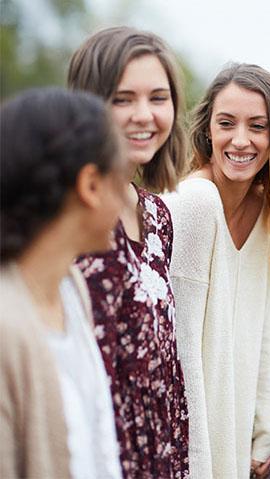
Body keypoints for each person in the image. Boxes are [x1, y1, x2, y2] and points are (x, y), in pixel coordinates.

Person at [163, 63, 270, 479]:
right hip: (188, 450)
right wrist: (198, 465)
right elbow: (179, 351)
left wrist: (262, 435)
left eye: (257, 126)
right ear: (207, 131)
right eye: (227, 123)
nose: (241, 140)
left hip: (236, 445)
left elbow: (262, 333)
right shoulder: (193, 202)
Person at [68, 26, 189, 478]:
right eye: (123, 99)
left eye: (158, 98)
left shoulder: (158, 215)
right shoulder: (65, 210)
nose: (145, 115)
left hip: (160, 454)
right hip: (91, 454)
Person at [0, 87, 127, 479]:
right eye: (121, 177)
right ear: (91, 185)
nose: (126, 198)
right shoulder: (6, 328)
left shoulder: (71, 290)